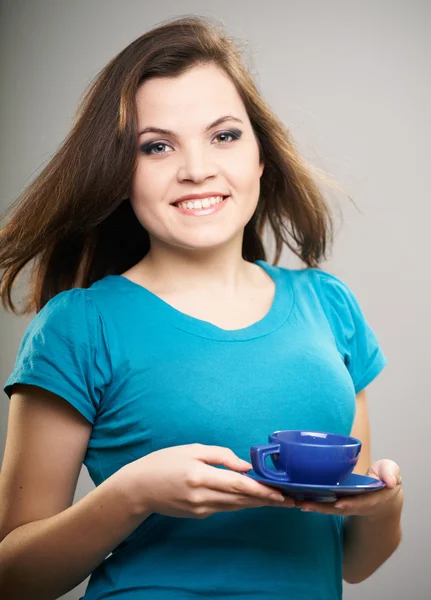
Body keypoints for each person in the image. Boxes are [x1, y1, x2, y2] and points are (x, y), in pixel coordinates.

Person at [0, 14, 403, 600]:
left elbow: (356, 562)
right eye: (157, 146)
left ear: (261, 155)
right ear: (121, 173)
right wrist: (131, 495)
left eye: (224, 135)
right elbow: (12, 581)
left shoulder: (330, 308)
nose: (196, 169)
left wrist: (385, 505)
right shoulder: (78, 327)